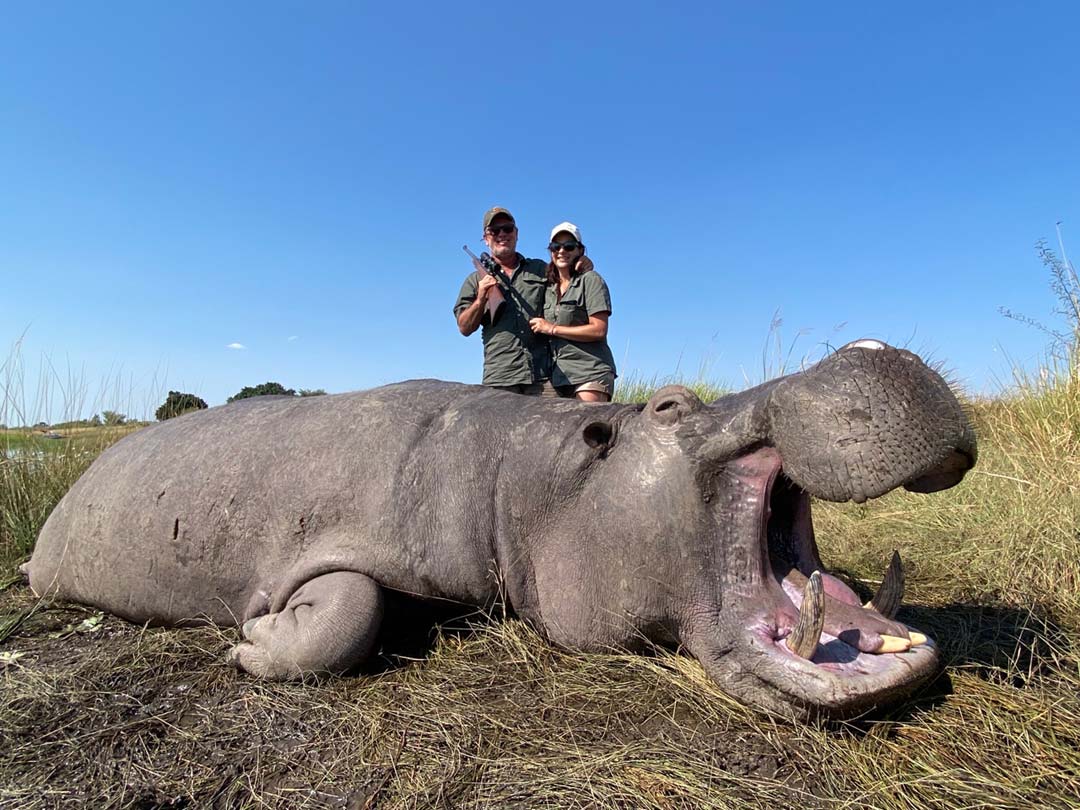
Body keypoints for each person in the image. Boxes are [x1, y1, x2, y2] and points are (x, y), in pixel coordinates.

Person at [453, 207, 591, 395]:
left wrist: (582, 261)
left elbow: (567, 274)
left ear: (516, 234)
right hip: (500, 378)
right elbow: (464, 327)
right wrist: (481, 298)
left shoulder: (540, 269)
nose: (502, 234)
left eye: (507, 229)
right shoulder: (474, 281)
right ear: (486, 238)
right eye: (494, 231)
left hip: (543, 378)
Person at [528, 222, 617, 402]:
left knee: (588, 428)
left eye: (569, 246)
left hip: (590, 372)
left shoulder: (591, 280)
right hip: (559, 378)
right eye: (556, 246)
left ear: (580, 250)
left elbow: (599, 329)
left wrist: (552, 329)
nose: (561, 251)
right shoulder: (548, 286)